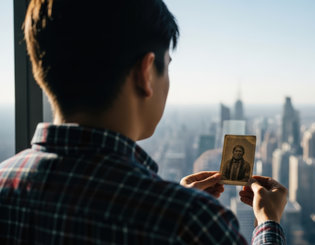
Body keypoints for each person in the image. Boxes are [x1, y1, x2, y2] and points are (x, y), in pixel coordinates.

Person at [0, 0, 288, 244]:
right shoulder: (188, 222)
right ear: (146, 72)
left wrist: (174, 200)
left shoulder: (3, 184)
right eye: (168, 67)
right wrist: (268, 223)